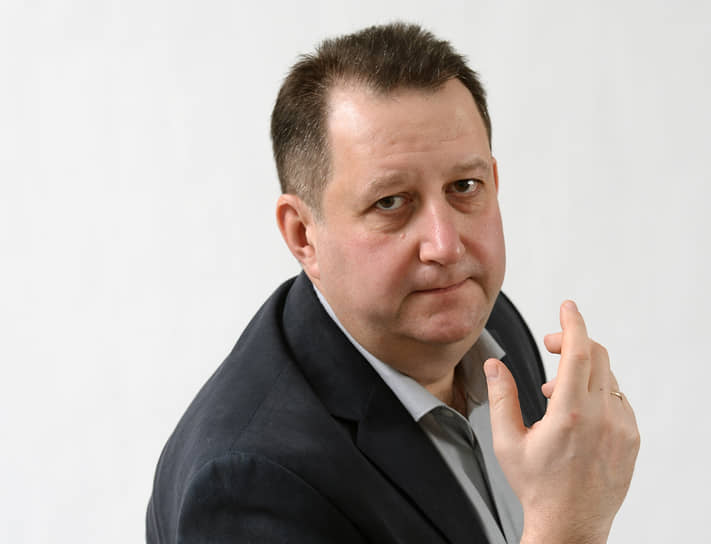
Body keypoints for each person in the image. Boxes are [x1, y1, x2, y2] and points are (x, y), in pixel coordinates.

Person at [147, 22, 639, 543]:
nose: (446, 246)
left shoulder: (487, 322)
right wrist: (570, 526)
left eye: (464, 186)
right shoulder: (249, 486)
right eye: (390, 202)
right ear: (303, 235)